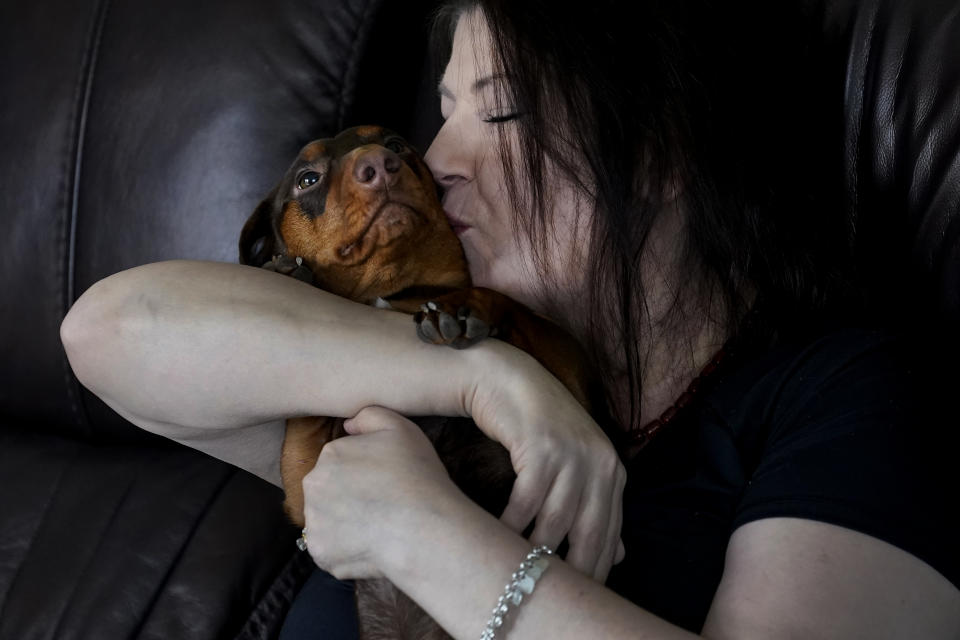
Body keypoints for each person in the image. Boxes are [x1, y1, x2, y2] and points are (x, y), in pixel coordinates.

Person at [60, 1, 960, 638]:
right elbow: (109, 329)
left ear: (659, 149)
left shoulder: (855, 401)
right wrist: (482, 376)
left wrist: (432, 539)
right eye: (443, 115)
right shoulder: (424, 363)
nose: (432, 160)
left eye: (503, 107)